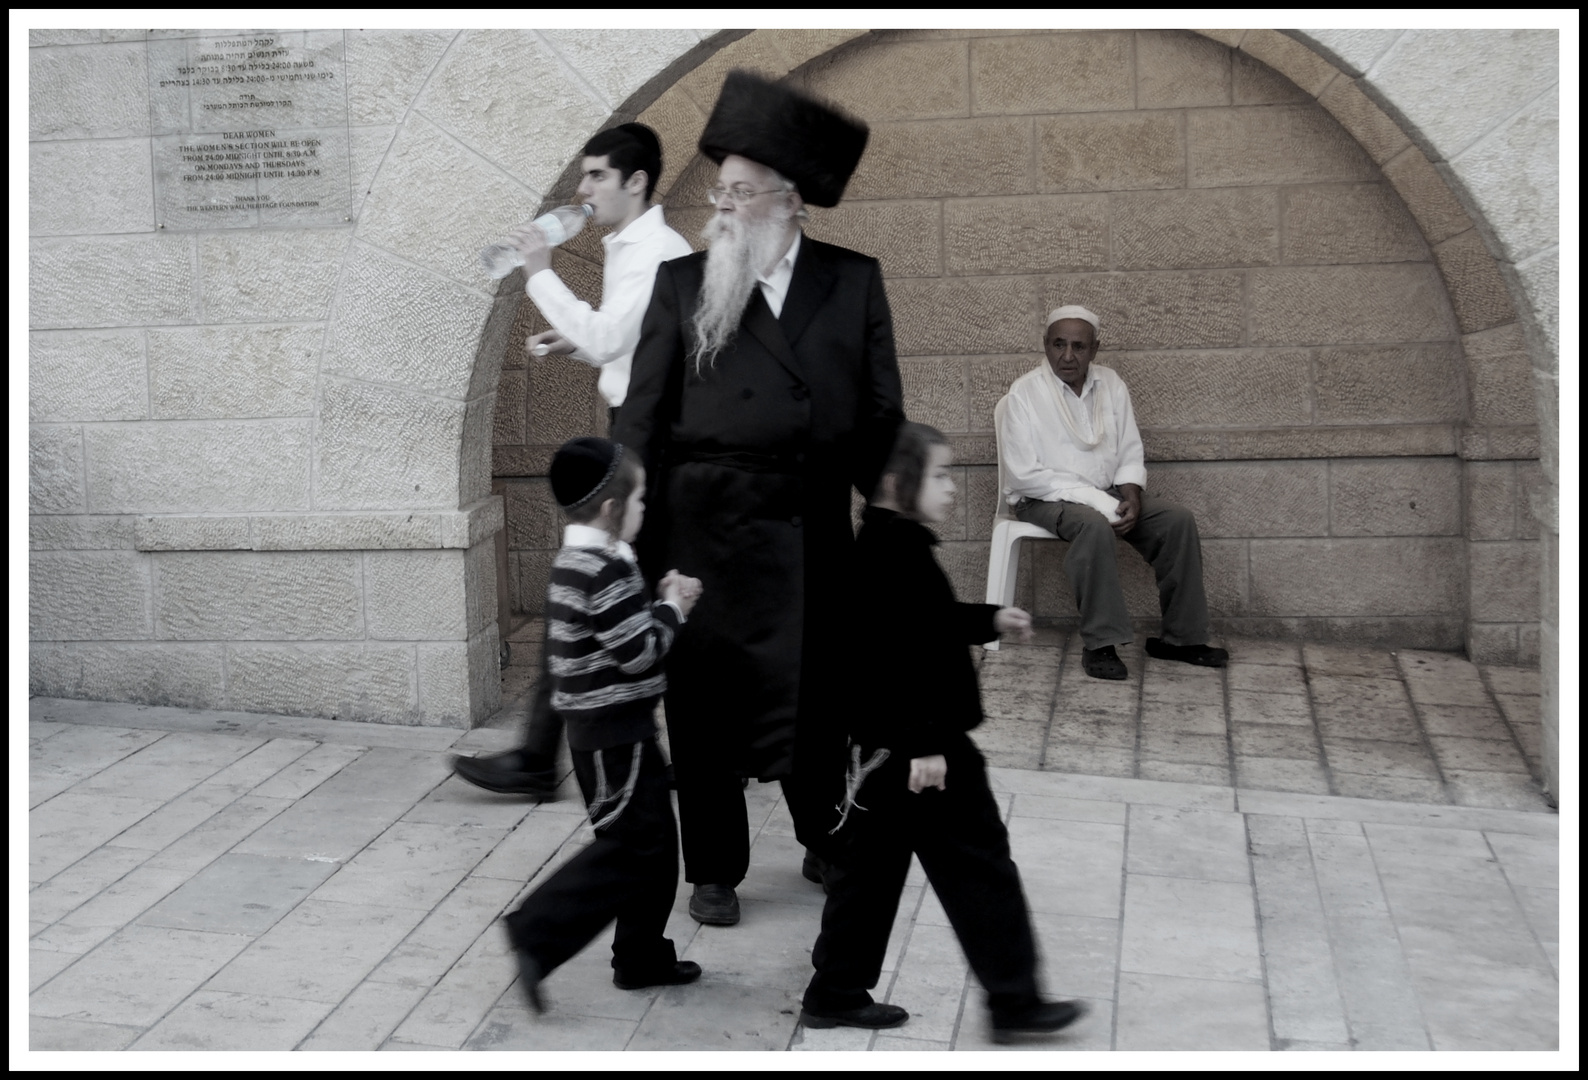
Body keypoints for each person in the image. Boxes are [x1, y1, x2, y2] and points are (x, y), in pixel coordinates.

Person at [614, 70, 904, 928]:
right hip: (697, 528)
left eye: (743, 192)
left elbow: (881, 417)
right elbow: (640, 415)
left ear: (790, 201)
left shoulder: (853, 283)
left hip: (808, 526)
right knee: (701, 711)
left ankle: (824, 832)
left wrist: (896, 518)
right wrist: (621, 514)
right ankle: (714, 866)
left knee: (819, 699)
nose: (726, 206)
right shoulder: (682, 285)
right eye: (722, 191)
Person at [799, 423, 1086, 1041]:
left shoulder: (886, 545)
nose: (952, 488)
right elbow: (889, 658)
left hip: (884, 750)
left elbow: (922, 626)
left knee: (869, 876)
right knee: (980, 868)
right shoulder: (892, 555)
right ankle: (1015, 1004)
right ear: (898, 484)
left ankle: (836, 991)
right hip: (920, 748)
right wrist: (926, 741)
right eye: (940, 475)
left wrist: (988, 619)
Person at [452, 123, 692, 799]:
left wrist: (540, 276)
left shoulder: (656, 251)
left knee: (591, 591)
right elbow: (629, 345)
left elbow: (615, 333)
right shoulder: (632, 248)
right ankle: (582, 753)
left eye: (595, 176)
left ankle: (542, 757)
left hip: (649, 444)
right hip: (636, 434)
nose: (581, 190)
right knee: (606, 594)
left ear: (635, 181)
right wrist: (578, 345)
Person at [503, 437, 704, 1012]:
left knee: (654, 847)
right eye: (639, 500)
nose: (646, 509)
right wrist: (674, 607)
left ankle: (640, 957)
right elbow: (638, 652)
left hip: (607, 735)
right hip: (615, 736)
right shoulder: (601, 569)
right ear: (613, 510)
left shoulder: (582, 559)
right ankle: (535, 931)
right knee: (631, 850)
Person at [998, 305, 1229, 681]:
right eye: (1058, 345)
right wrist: (1098, 501)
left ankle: (1182, 639)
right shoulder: (1025, 393)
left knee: (1176, 522)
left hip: (1106, 491)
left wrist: (1131, 495)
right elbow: (1025, 476)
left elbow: (1129, 449)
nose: (1067, 356)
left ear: (1095, 349)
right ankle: (1100, 643)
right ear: (1045, 345)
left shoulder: (1111, 384)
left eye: (1078, 346)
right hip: (1043, 498)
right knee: (1093, 526)